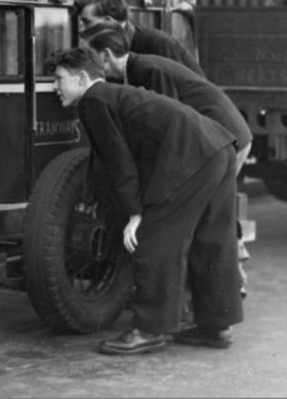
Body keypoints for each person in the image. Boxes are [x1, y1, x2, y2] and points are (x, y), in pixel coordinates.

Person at [50, 48, 243, 355]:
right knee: (212, 238)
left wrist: (135, 214)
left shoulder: (94, 100)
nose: (54, 87)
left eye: (59, 78)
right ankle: (216, 326)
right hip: (218, 146)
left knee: (154, 236)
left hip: (192, 153)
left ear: (83, 78)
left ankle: (149, 329)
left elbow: (118, 161)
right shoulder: (114, 95)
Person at [85, 27, 254, 295]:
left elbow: (170, 127)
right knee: (205, 214)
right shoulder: (138, 69)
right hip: (218, 138)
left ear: (106, 57)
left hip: (225, 137)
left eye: (91, 60)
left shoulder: (149, 71)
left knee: (200, 215)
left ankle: (229, 285)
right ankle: (225, 288)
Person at [73, 0, 205, 76]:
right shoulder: (117, 50)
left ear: (108, 20)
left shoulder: (158, 44)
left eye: (87, 22)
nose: (82, 30)